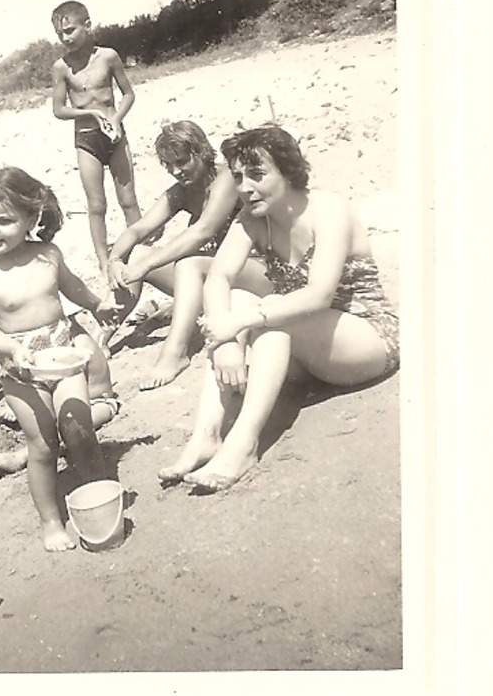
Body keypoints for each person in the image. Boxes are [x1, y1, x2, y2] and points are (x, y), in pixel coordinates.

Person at [158, 127, 400, 492]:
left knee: (265, 308)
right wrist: (225, 342)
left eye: (258, 175)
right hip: (309, 351)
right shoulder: (254, 220)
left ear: (287, 172)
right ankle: (205, 436)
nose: (244, 187)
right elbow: (218, 278)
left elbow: (319, 295)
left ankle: (243, 446)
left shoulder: (327, 209)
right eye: (238, 176)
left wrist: (236, 323)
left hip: (366, 339)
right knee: (239, 300)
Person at [0, 166, 118, 552]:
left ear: (32, 217)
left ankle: (97, 493)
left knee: (78, 428)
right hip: (20, 368)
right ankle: (51, 521)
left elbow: (71, 287)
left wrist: (97, 305)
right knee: (43, 446)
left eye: (4, 220)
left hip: (62, 353)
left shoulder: (48, 255)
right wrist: (10, 349)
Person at [106, 121, 268, 389]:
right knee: (137, 254)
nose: (176, 172)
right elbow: (138, 230)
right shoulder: (182, 192)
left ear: (201, 152)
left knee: (187, 263)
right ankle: (104, 334)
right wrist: (116, 259)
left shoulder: (226, 178)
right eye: (169, 166)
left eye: (181, 162)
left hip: (252, 272)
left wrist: (147, 265)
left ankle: (175, 353)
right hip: (216, 279)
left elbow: (203, 231)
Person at [51, 0, 142, 280]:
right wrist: (90, 112)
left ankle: (141, 251)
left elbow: (128, 94)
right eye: (60, 34)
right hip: (87, 139)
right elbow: (58, 109)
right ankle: (104, 262)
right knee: (96, 205)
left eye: (70, 30)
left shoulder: (108, 57)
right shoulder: (62, 67)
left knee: (128, 200)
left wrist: (116, 119)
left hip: (115, 134)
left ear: (87, 25)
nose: (65, 38)